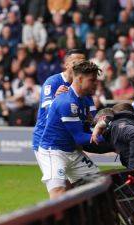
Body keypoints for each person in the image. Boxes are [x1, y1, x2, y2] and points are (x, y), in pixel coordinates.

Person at [37, 60, 101, 199]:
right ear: (79, 79)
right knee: (58, 194)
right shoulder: (67, 102)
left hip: (73, 151)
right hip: (54, 152)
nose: (96, 83)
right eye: (92, 80)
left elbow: (89, 129)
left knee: (99, 185)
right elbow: (79, 137)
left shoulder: (84, 99)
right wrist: (111, 136)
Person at [32, 49, 86, 152]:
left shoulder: (82, 85)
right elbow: (48, 110)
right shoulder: (52, 82)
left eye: (83, 62)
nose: (80, 65)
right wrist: (57, 98)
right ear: (66, 65)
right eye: (76, 62)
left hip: (68, 141)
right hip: (46, 141)